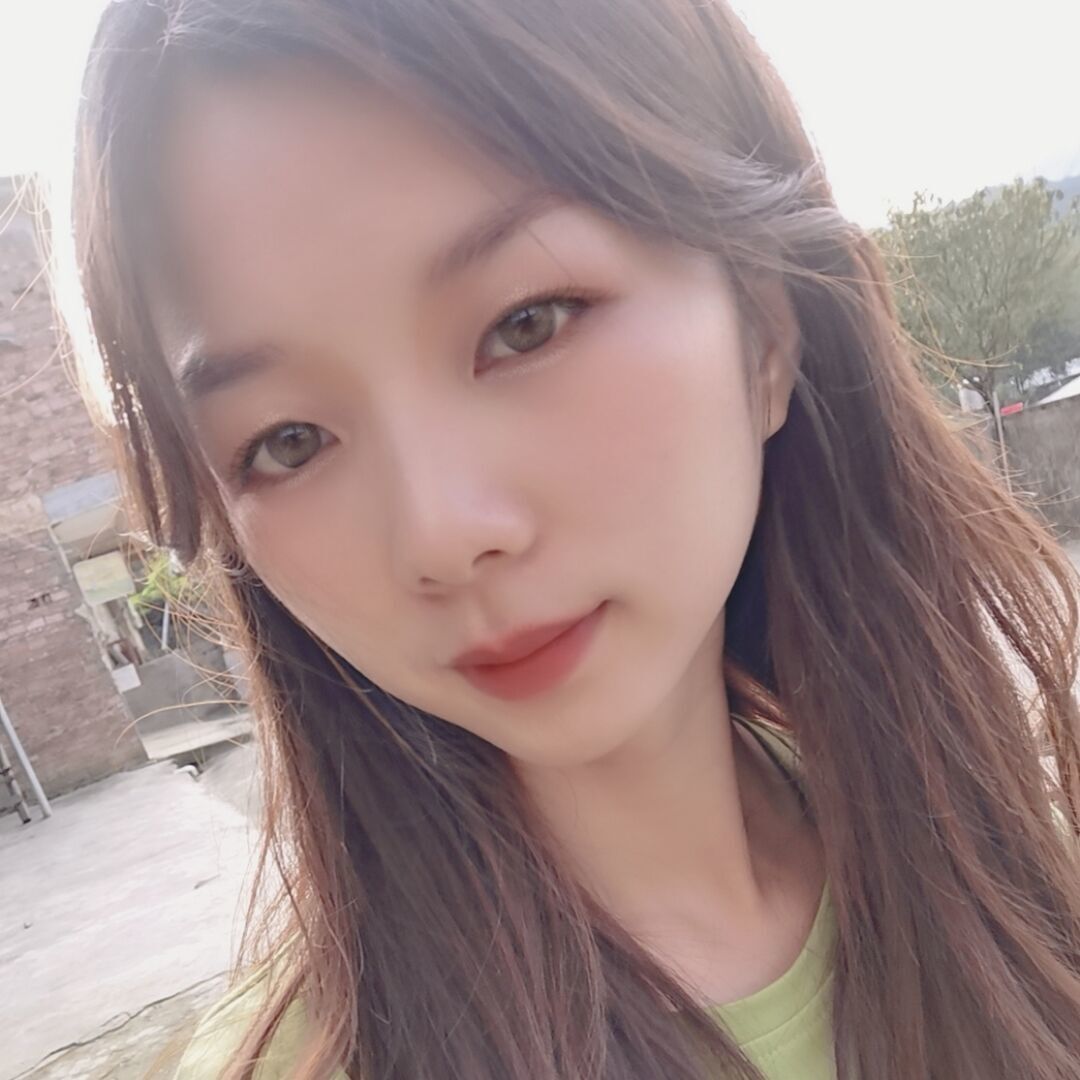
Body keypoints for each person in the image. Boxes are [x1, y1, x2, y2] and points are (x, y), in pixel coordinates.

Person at [65, 1, 1080, 1078]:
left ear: (765, 330)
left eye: (527, 324)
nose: (441, 535)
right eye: (288, 442)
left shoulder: (984, 851)